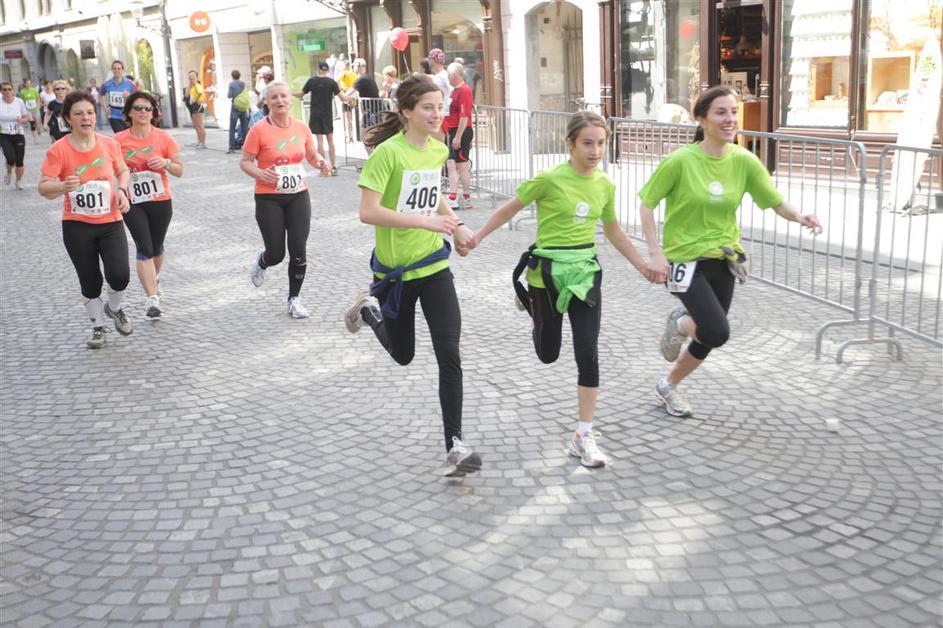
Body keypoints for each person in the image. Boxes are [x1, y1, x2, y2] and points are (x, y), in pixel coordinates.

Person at [471, 111, 661, 468]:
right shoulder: (548, 179)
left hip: (585, 274)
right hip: (547, 275)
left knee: (587, 351)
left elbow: (614, 231)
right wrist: (477, 237)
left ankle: (583, 435)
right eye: (587, 143)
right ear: (570, 143)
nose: (595, 151)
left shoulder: (604, 184)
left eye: (601, 143)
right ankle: (532, 305)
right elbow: (509, 209)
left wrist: (643, 265)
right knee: (547, 353)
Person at [637, 86, 823, 418]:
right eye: (721, 112)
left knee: (708, 335)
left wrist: (800, 216)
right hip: (683, 260)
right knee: (716, 330)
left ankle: (667, 386)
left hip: (724, 259)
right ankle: (680, 322)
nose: (730, 119)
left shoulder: (743, 160)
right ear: (702, 119)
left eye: (733, 112)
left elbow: (775, 201)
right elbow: (646, 204)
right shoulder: (680, 161)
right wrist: (655, 254)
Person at [342, 74, 481, 478]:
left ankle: (455, 445)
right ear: (406, 111)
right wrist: (425, 222)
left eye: (440, 107)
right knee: (403, 354)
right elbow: (368, 212)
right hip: (395, 273)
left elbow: (431, 195)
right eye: (428, 108)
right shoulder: (387, 155)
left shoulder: (437, 149)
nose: (437, 114)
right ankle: (368, 311)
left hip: (433, 267)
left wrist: (456, 226)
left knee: (449, 353)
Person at [38, 90, 133, 349]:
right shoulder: (59, 150)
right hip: (77, 226)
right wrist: (62, 186)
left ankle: (115, 308)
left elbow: (123, 171)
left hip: (111, 222)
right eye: (78, 113)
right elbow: (44, 187)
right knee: (90, 280)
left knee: (120, 275)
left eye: (90, 112)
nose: (86, 118)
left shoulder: (109, 144)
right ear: (68, 118)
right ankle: (97, 326)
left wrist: (122, 190)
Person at [240, 81, 332, 318]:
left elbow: (311, 155)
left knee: (298, 249)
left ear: (290, 100)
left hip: (298, 194)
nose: (279, 101)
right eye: (274, 97)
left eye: (283, 96)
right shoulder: (258, 130)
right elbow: (245, 161)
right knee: (276, 253)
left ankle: (294, 299)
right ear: (267, 102)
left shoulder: (301, 127)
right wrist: (260, 174)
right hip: (268, 198)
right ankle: (262, 262)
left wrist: (321, 162)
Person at [115, 92, 184, 320]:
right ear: (129, 112)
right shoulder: (118, 140)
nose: (143, 112)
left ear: (153, 112)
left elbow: (179, 170)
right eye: (138, 108)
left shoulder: (164, 138)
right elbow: (109, 167)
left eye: (148, 108)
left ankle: (154, 278)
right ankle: (152, 298)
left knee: (157, 247)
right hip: (133, 202)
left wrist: (166, 163)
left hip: (160, 201)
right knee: (144, 247)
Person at [295, 61, 339, 175]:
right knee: (330, 140)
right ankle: (333, 167)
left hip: (315, 114)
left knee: (320, 141)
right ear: (327, 70)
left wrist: (290, 93)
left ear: (318, 69)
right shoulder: (332, 82)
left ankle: (324, 168)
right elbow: (342, 97)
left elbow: (301, 94)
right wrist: (350, 99)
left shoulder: (312, 81)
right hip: (327, 114)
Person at [443, 62, 474, 210]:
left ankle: (466, 196)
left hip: (461, 131)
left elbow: (464, 116)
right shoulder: (454, 90)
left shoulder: (464, 90)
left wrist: (458, 136)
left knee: (461, 165)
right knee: (450, 163)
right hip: (452, 130)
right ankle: (453, 195)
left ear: (454, 75)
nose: (447, 78)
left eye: (448, 75)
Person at [0, 82, 32, 189]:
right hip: (4, 134)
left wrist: (22, 120)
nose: (7, 91)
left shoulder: (19, 102)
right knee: (10, 158)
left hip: (18, 133)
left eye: (9, 89)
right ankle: (9, 172)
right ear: (1, 91)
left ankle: (18, 181)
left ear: (13, 90)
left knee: (19, 161)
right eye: (4, 89)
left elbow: (26, 117)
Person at [99, 60, 136, 133]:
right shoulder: (106, 84)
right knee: (120, 135)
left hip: (127, 115)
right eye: (115, 68)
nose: (117, 70)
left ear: (122, 70)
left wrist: (129, 96)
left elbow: (137, 98)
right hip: (114, 116)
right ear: (112, 70)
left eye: (119, 68)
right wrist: (105, 109)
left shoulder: (130, 84)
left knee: (128, 135)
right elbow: (101, 95)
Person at [351, 58, 380, 130]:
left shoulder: (362, 79)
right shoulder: (367, 76)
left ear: (358, 66)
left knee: (368, 130)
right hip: (373, 109)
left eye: (354, 66)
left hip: (371, 110)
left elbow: (349, 92)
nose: (353, 68)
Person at [183, 71, 207, 149]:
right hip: (193, 107)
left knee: (199, 125)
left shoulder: (197, 85)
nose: (191, 77)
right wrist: (189, 85)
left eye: (193, 75)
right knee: (196, 125)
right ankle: (200, 142)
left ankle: (203, 143)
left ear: (196, 77)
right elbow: (186, 95)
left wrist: (197, 101)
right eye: (190, 75)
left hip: (197, 106)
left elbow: (201, 93)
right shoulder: (192, 86)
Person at [227, 69, 249, 153]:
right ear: (239, 76)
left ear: (232, 76)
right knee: (244, 127)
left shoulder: (231, 84)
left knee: (232, 128)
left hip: (235, 107)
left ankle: (232, 147)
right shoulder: (243, 84)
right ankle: (246, 146)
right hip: (243, 107)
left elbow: (229, 95)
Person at [335, 60, 356, 142]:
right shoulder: (353, 73)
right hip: (354, 96)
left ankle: (349, 135)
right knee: (353, 117)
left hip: (346, 96)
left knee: (347, 117)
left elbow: (336, 81)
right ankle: (353, 135)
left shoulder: (343, 73)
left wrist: (340, 90)